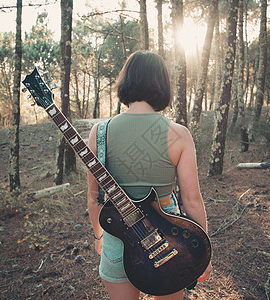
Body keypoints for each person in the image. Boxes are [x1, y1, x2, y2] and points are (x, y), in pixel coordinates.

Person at [87, 50, 212, 300]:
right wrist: (203, 254)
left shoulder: (99, 133)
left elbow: (94, 198)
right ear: (162, 86)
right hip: (169, 240)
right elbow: (192, 201)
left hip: (118, 236)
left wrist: (100, 235)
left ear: (125, 82)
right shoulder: (179, 134)